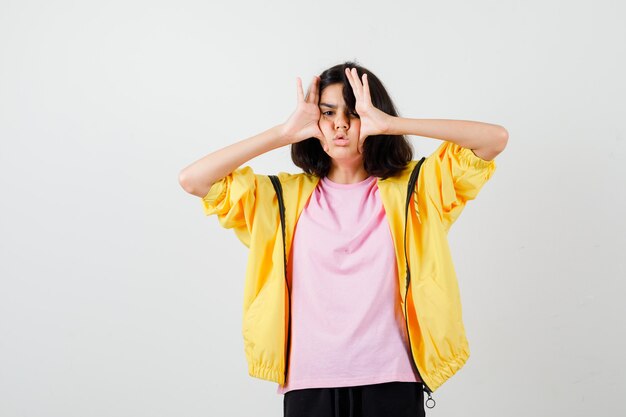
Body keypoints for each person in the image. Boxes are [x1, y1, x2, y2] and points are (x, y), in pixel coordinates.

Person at [179, 61, 508, 417]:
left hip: (393, 382)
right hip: (309, 385)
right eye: (328, 112)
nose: (340, 124)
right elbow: (194, 180)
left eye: (353, 113)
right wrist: (283, 133)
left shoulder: (417, 189)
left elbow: (495, 140)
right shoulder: (281, 200)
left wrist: (392, 125)